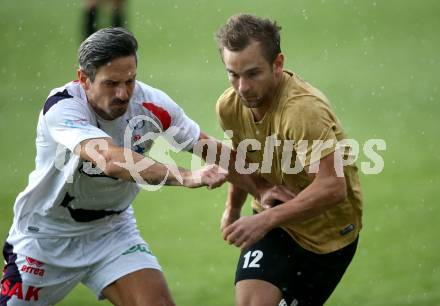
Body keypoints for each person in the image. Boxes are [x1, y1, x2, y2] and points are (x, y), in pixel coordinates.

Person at [0, 27, 292, 306]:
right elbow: (110, 160)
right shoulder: (63, 107)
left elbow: (208, 147)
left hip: (111, 232)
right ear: (84, 79)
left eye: (130, 80)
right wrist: (186, 175)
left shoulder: (152, 104)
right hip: (46, 236)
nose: (123, 94)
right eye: (111, 83)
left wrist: (262, 187)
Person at [215, 14, 363, 306]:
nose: (242, 87)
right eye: (233, 74)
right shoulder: (229, 106)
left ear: (278, 64)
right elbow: (244, 159)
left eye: (252, 73)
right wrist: (233, 208)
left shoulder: (302, 111)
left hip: (327, 237)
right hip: (273, 220)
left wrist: (264, 220)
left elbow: (333, 187)